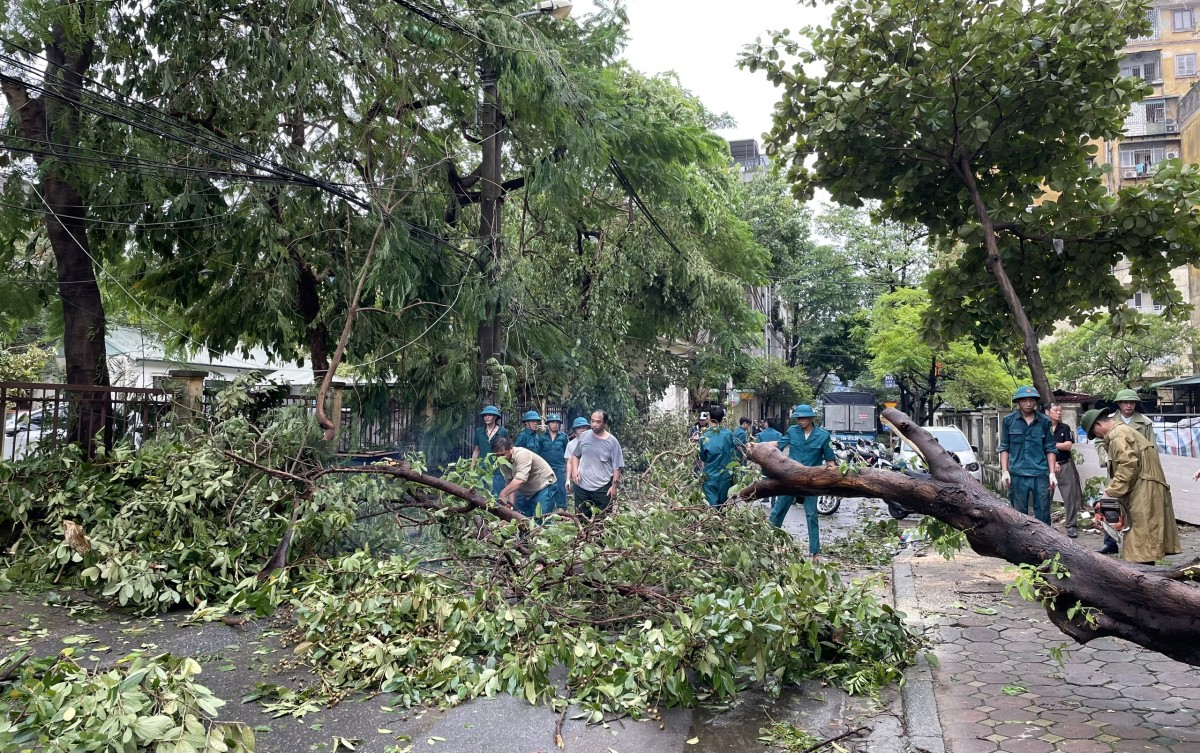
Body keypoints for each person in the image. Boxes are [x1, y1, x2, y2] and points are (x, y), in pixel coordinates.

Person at [1081, 408, 1181, 564]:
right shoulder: (1124, 431)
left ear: (1098, 424)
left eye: (1095, 433)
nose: (1098, 437)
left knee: (1141, 541)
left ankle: (1144, 582)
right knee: (1143, 539)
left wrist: (1110, 492)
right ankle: (1146, 578)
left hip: (1144, 490)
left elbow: (1128, 466)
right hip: (1143, 488)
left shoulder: (1117, 435)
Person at [769, 404, 836, 556]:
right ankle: (766, 545)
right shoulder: (792, 431)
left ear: (811, 418)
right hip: (790, 478)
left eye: (803, 417)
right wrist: (759, 447)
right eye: (798, 418)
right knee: (777, 511)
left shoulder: (823, 436)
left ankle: (815, 553)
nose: (800, 420)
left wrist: (834, 483)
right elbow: (779, 445)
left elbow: (830, 462)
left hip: (811, 481)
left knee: (812, 515)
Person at [1096, 389, 1157, 554]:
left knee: (1138, 508)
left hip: (1138, 471)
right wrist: (1105, 458)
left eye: (1132, 402)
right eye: (1125, 402)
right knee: (1111, 505)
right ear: (1119, 404)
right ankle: (1110, 542)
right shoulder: (1107, 421)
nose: (1128, 405)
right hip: (1116, 469)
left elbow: (1151, 447)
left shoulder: (1145, 422)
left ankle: (1139, 547)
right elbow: (1099, 442)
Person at [998, 386, 1057, 525]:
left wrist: (1052, 473)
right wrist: (1005, 471)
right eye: (1024, 400)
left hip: (1040, 474)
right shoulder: (1009, 420)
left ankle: (1045, 544)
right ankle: (1020, 545)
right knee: (1018, 515)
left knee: (1043, 514)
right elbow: (1004, 447)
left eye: (1031, 400)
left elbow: (1050, 447)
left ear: (1036, 401)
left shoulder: (1044, 421)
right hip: (1017, 474)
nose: (1028, 404)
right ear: (1018, 402)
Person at [568, 410, 625, 520]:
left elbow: (617, 467)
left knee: (602, 522)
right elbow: (575, 456)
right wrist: (575, 471)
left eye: (598, 422)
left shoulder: (612, 442)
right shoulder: (584, 437)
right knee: (580, 519)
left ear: (605, 423)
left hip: (602, 488)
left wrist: (614, 487)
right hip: (582, 486)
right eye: (592, 421)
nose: (594, 424)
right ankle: (582, 537)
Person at [491, 436, 558, 521]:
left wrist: (503, 493)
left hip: (544, 487)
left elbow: (520, 480)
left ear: (511, 448)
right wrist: (511, 505)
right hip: (529, 493)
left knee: (541, 521)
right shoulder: (503, 461)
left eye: (503, 454)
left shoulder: (522, 454)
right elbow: (510, 482)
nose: (500, 458)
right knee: (524, 521)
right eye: (497, 455)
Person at [1048, 403, 1084, 538]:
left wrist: (1051, 445)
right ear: (1047, 412)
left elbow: (1068, 445)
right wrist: (1053, 461)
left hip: (1064, 465)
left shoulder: (1065, 427)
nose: (1059, 413)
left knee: (1069, 497)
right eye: (1056, 410)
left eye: (1060, 410)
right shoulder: (1042, 428)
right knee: (1046, 498)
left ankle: (1072, 526)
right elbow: (1039, 447)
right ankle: (1046, 525)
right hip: (1047, 467)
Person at [698, 406, 735, 506]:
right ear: (722, 419)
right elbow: (732, 450)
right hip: (725, 475)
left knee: (711, 507)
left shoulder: (704, 436)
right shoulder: (728, 434)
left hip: (710, 475)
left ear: (709, 418)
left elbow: (703, 458)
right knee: (723, 506)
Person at [471, 405, 509, 497]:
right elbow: (476, 450)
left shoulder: (502, 431)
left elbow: (506, 451)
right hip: (482, 468)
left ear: (495, 417)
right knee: (481, 495)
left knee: (496, 496)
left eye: (489, 415)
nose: (486, 417)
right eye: (485, 415)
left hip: (497, 469)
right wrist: (472, 468)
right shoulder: (479, 431)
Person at [539, 413, 569, 512]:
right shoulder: (542, 437)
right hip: (546, 467)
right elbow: (539, 452)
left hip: (559, 467)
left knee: (561, 488)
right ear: (548, 424)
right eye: (552, 422)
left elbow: (567, 452)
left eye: (557, 422)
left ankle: (561, 508)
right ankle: (547, 508)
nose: (555, 424)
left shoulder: (563, 437)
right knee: (546, 488)